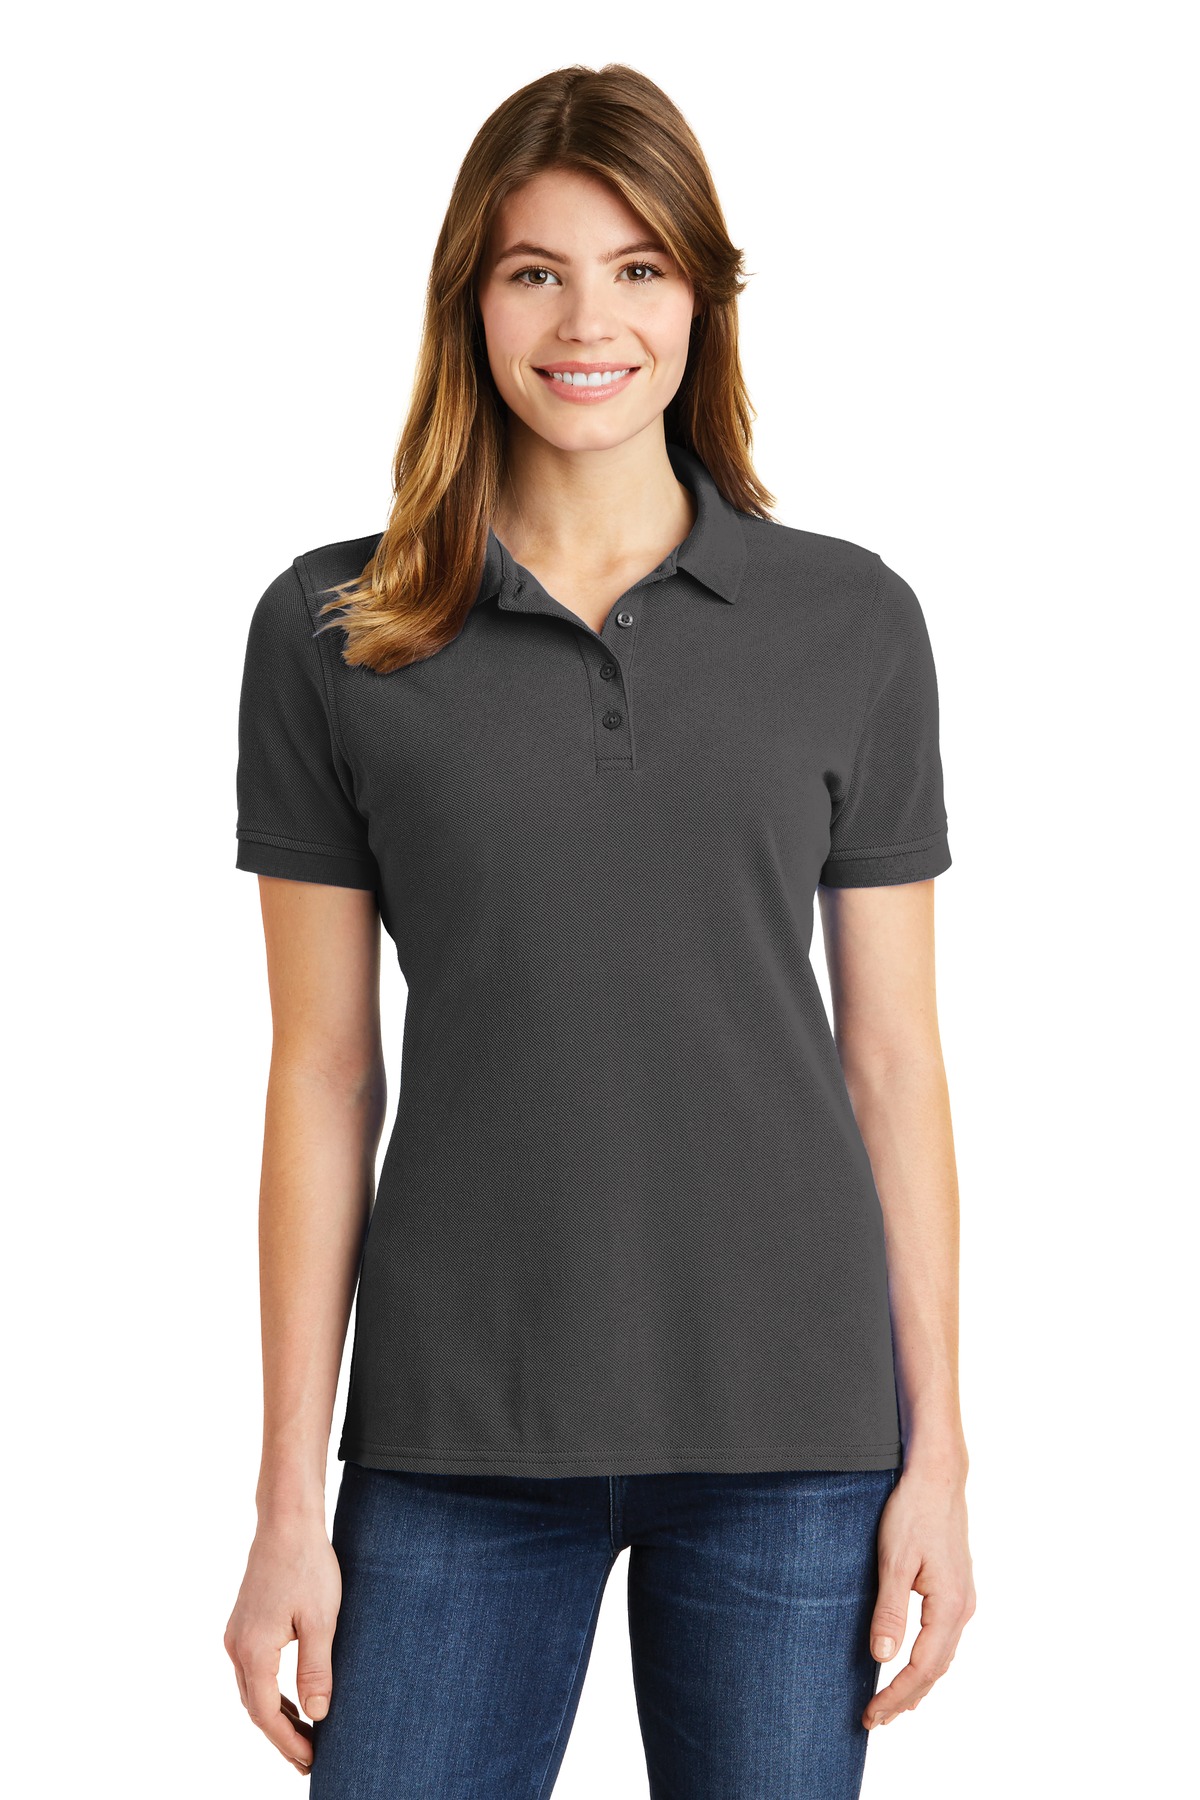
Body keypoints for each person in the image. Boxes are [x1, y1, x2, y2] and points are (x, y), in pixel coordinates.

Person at [223, 62, 975, 1799]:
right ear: (470, 301)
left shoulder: (851, 620)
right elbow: (323, 1074)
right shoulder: (335, 629)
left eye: (639, 269)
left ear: (701, 301)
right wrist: (283, 1501)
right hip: (454, 1429)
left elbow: (893, 1063)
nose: (588, 322)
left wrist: (940, 1452)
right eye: (535, 271)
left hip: (794, 1429)